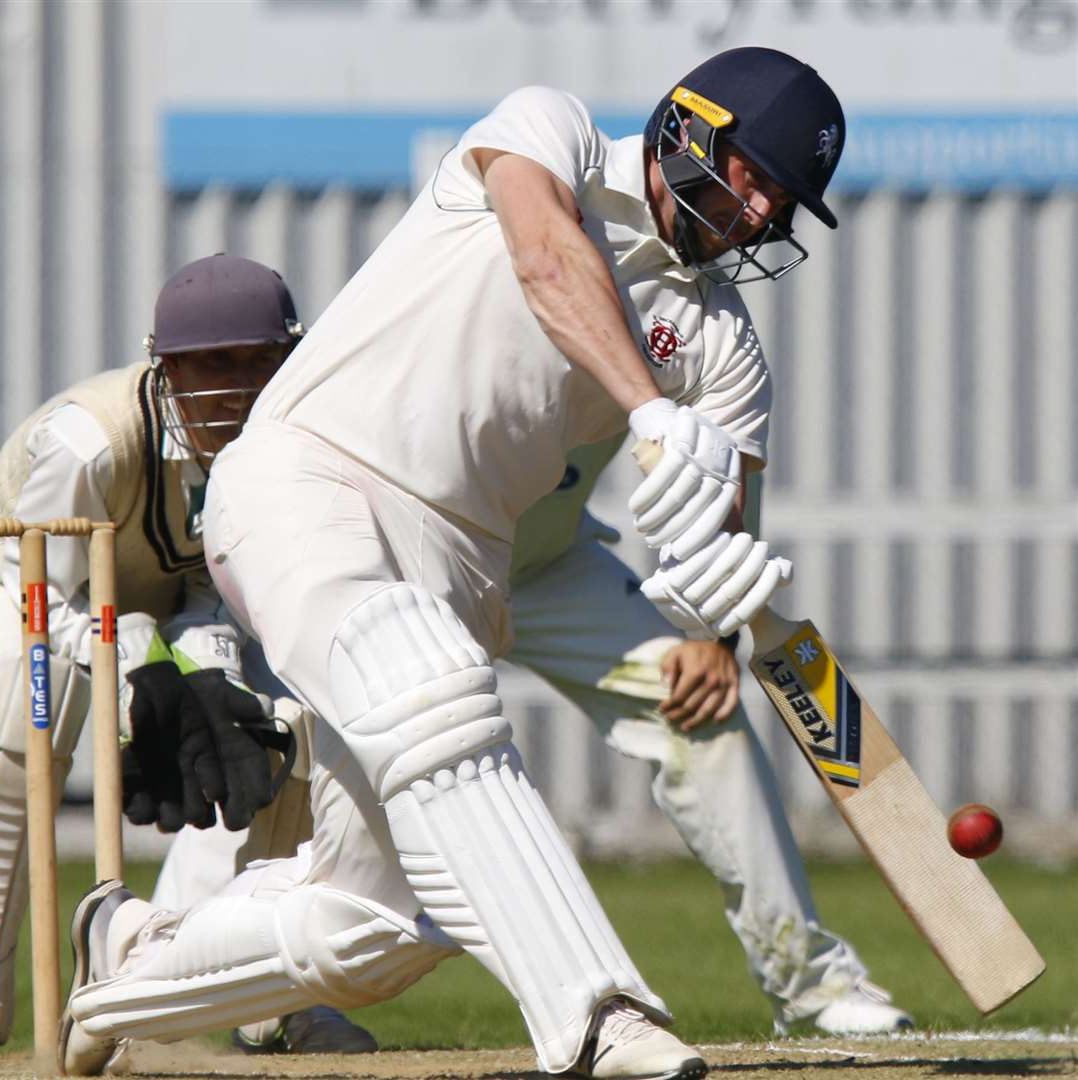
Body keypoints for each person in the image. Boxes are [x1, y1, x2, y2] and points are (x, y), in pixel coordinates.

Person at [59, 47, 851, 1080]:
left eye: (780, 204)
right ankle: (600, 1011)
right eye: (752, 177)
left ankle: (124, 969)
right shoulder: (547, 132)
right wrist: (651, 411)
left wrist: (710, 582)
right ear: (688, 128)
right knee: (427, 682)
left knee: (378, 926)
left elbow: (716, 511)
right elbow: (544, 261)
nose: (755, 216)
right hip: (315, 475)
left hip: (464, 559)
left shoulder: (721, 345)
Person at [157, 435, 913, 1046]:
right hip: (408, 565)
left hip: (550, 569)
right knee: (283, 747)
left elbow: (724, 459)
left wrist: (713, 633)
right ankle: (166, 958)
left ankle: (809, 981)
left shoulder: (694, 315)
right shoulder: (486, 273)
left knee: (700, 710)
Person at [0, 254, 313, 1062]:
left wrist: (211, 674)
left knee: (294, 725)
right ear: (166, 366)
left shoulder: (281, 441)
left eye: (257, 361)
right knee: (38, 702)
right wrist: (133, 660)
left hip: (149, 598)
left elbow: (213, 586)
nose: (237, 387)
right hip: (1, 574)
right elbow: (43, 598)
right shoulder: (90, 442)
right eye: (214, 363)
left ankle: (275, 997)